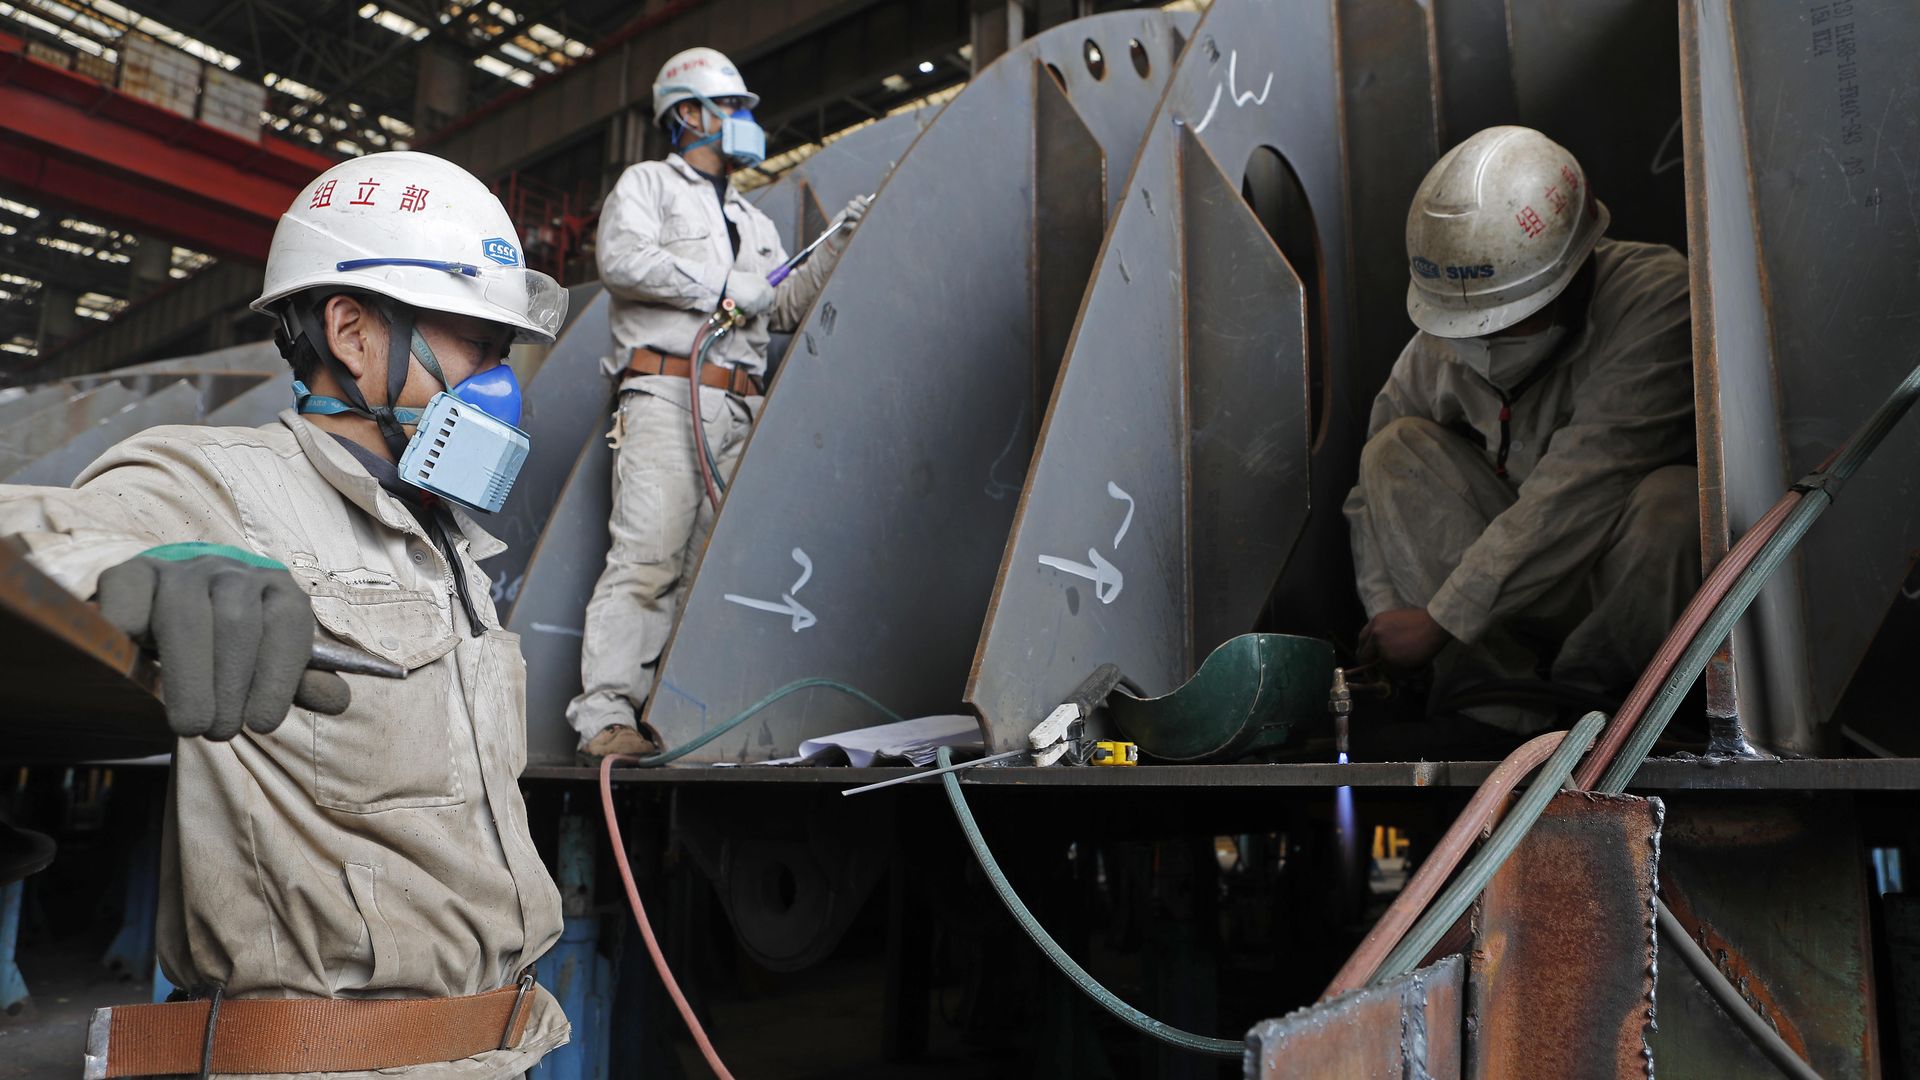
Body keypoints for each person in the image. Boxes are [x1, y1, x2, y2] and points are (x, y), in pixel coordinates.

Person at [0, 151, 571, 1076]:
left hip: (504, 1052)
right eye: (477, 341)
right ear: (350, 329)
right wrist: (139, 567)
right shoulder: (221, 483)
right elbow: (38, 534)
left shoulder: (450, 550)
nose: (502, 383)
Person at [1343, 126, 1698, 735]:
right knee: (1391, 454)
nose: (1481, 343)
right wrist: (1391, 619)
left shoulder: (1656, 300)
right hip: (1497, 619)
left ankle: (1604, 713)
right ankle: (1497, 712)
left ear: (1571, 275)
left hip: (1608, 585)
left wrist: (1439, 620)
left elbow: (1580, 488)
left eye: (1503, 324)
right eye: (1467, 325)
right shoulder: (1443, 341)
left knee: (1676, 506)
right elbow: (1367, 501)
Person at [568, 47, 869, 760]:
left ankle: (679, 714)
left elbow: (783, 302)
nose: (741, 122)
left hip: (740, 408)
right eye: (730, 108)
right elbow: (623, 260)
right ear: (688, 115)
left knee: (714, 569)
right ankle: (605, 717)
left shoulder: (755, 221)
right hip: (668, 396)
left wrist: (840, 246)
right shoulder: (646, 186)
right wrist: (723, 288)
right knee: (647, 560)